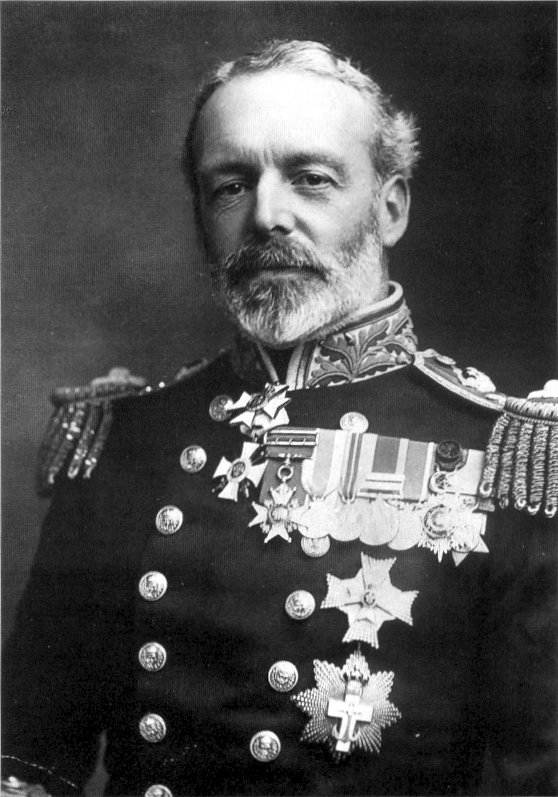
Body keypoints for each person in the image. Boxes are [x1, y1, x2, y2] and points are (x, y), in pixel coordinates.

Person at [2, 39, 557, 797]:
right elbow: (27, 759)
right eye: (231, 186)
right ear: (202, 215)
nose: (267, 216)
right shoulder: (125, 440)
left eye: (311, 178)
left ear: (390, 207)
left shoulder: (512, 455)